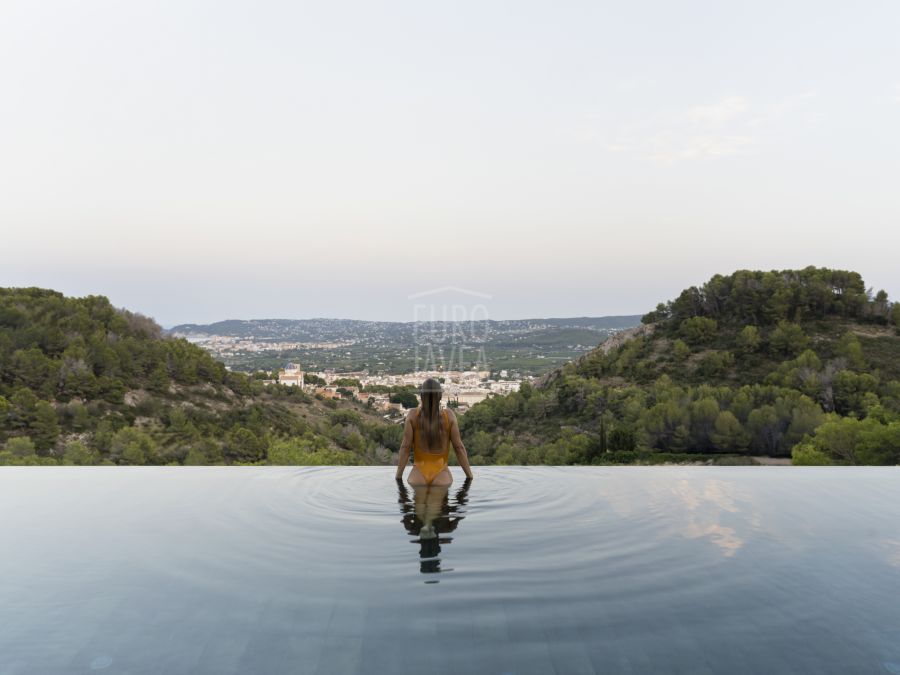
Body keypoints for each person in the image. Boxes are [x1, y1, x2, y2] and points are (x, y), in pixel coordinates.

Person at [394, 377, 474, 486]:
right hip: (441, 475)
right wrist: (469, 476)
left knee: (419, 501)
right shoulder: (449, 416)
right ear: (440, 396)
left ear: (421, 396)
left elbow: (405, 448)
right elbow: (459, 448)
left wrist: (398, 477)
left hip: (418, 475)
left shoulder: (412, 415)